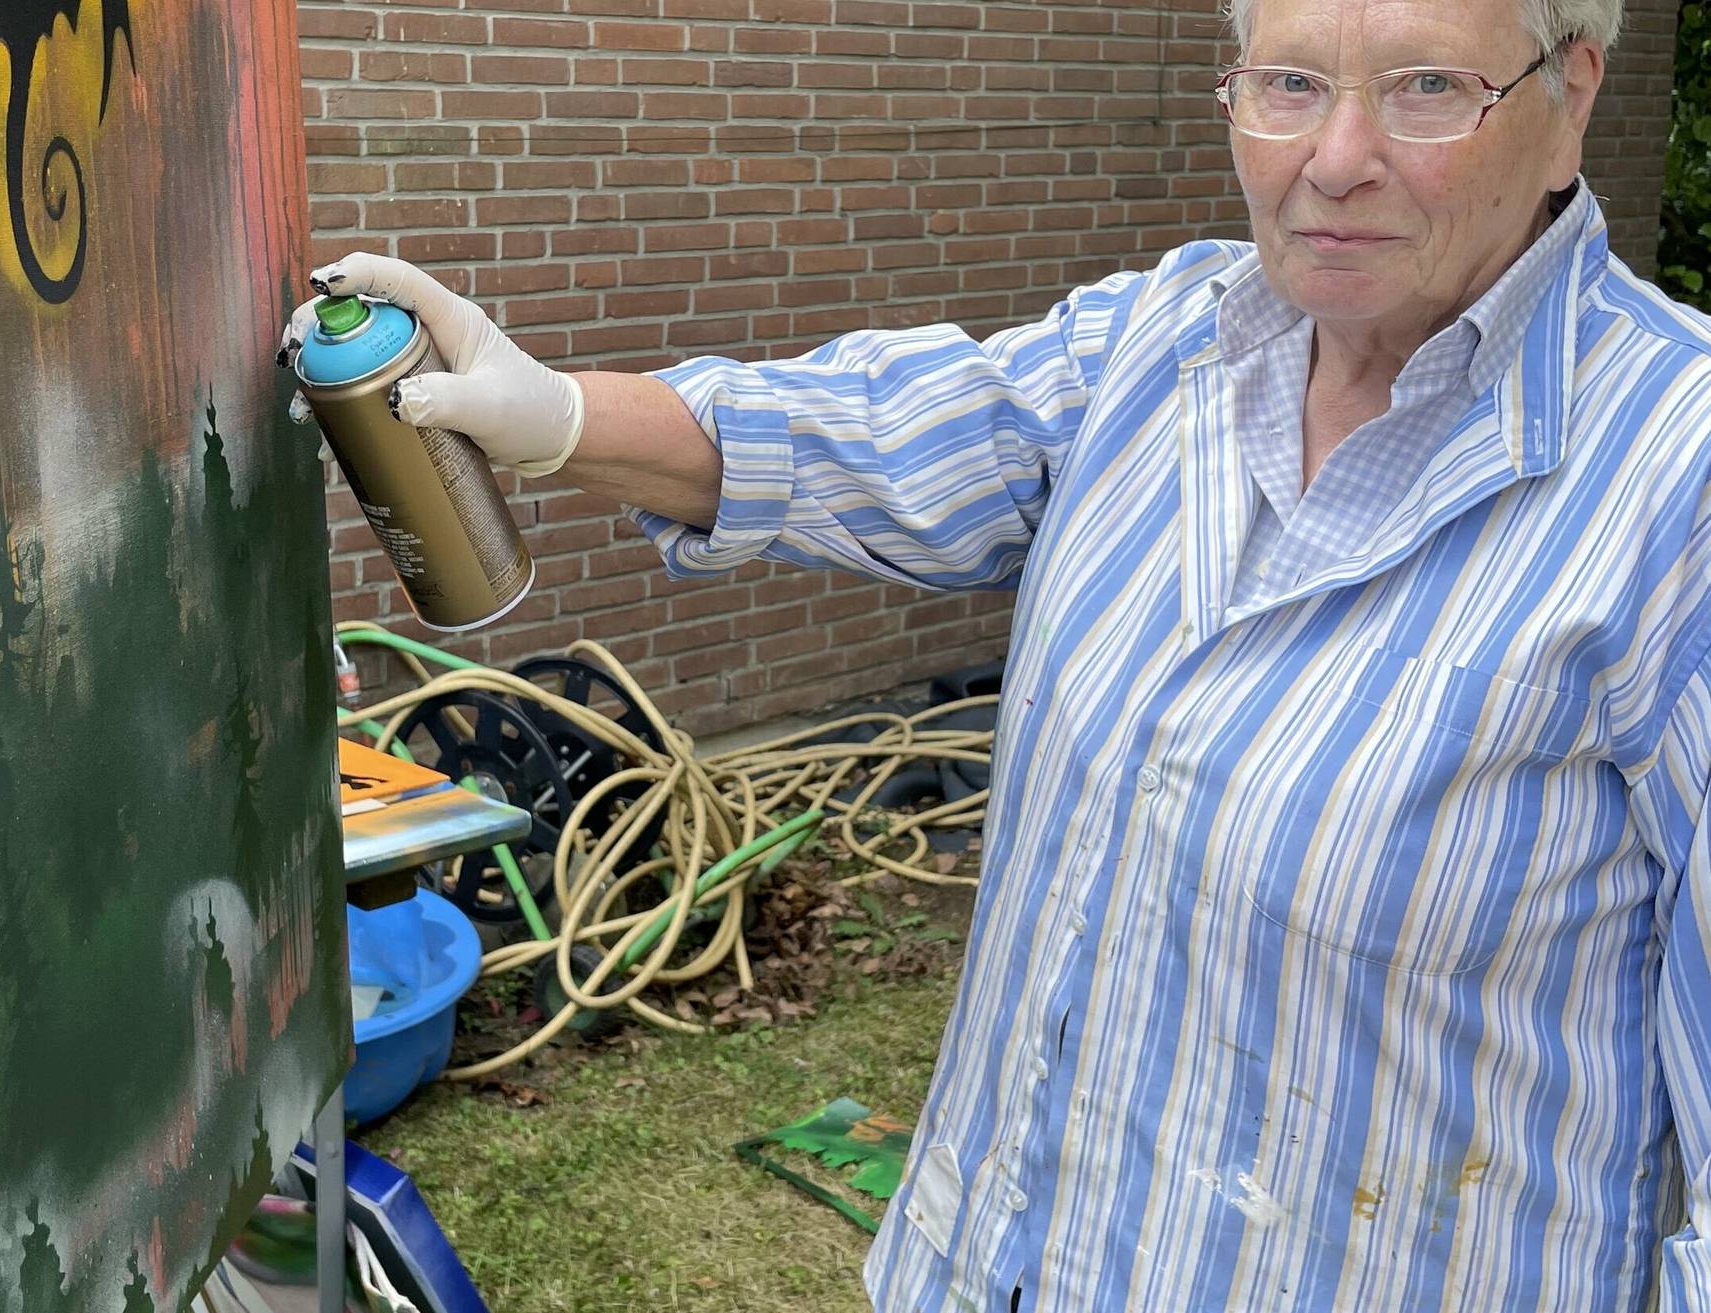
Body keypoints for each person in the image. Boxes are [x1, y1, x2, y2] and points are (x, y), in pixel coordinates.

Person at [281, 0, 1711, 1306]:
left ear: (1570, 92)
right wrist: (557, 414)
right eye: (1287, 82)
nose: (1334, 157)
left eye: (1423, 88)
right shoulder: (1173, 338)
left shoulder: (1677, 483)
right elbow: (875, 433)